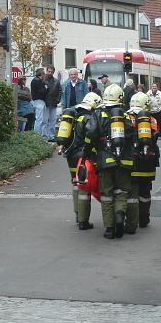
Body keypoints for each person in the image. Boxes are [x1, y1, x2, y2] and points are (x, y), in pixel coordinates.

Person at [84, 83, 134, 239]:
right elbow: (132, 135)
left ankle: (109, 228)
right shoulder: (125, 115)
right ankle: (120, 214)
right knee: (121, 192)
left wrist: (87, 153)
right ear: (120, 97)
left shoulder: (98, 114)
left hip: (105, 161)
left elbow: (91, 133)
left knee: (106, 194)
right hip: (124, 161)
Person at [57, 92, 102, 230]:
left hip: (70, 155)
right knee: (84, 186)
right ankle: (83, 221)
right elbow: (91, 135)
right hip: (83, 156)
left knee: (76, 183)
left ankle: (78, 215)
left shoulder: (74, 115)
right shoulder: (89, 117)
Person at [125, 92, 159, 234]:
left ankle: (131, 222)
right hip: (148, 161)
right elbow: (154, 137)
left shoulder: (126, 117)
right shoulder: (151, 119)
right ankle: (144, 219)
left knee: (131, 194)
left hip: (132, 160)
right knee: (145, 192)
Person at [43, 65, 62, 142]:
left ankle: (51, 136)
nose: (50, 73)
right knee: (44, 121)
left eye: (52, 72)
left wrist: (58, 100)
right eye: (49, 71)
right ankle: (44, 137)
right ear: (46, 71)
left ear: (53, 72)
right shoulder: (43, 80)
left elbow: (60, 91)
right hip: (45, 103)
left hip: (54, 103)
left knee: (53, 121)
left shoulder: (56, 81)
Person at [30, 67, 47, 136]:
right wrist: (46, 87)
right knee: (39, 119)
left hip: (37, 101)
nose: (45, 75)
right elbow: (44, 91)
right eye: (44, 74)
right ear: (41, 75)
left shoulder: (35, 80)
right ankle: (37, 134)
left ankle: (39, 134)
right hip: (39, 101)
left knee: (40, 119)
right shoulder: (37, 81)